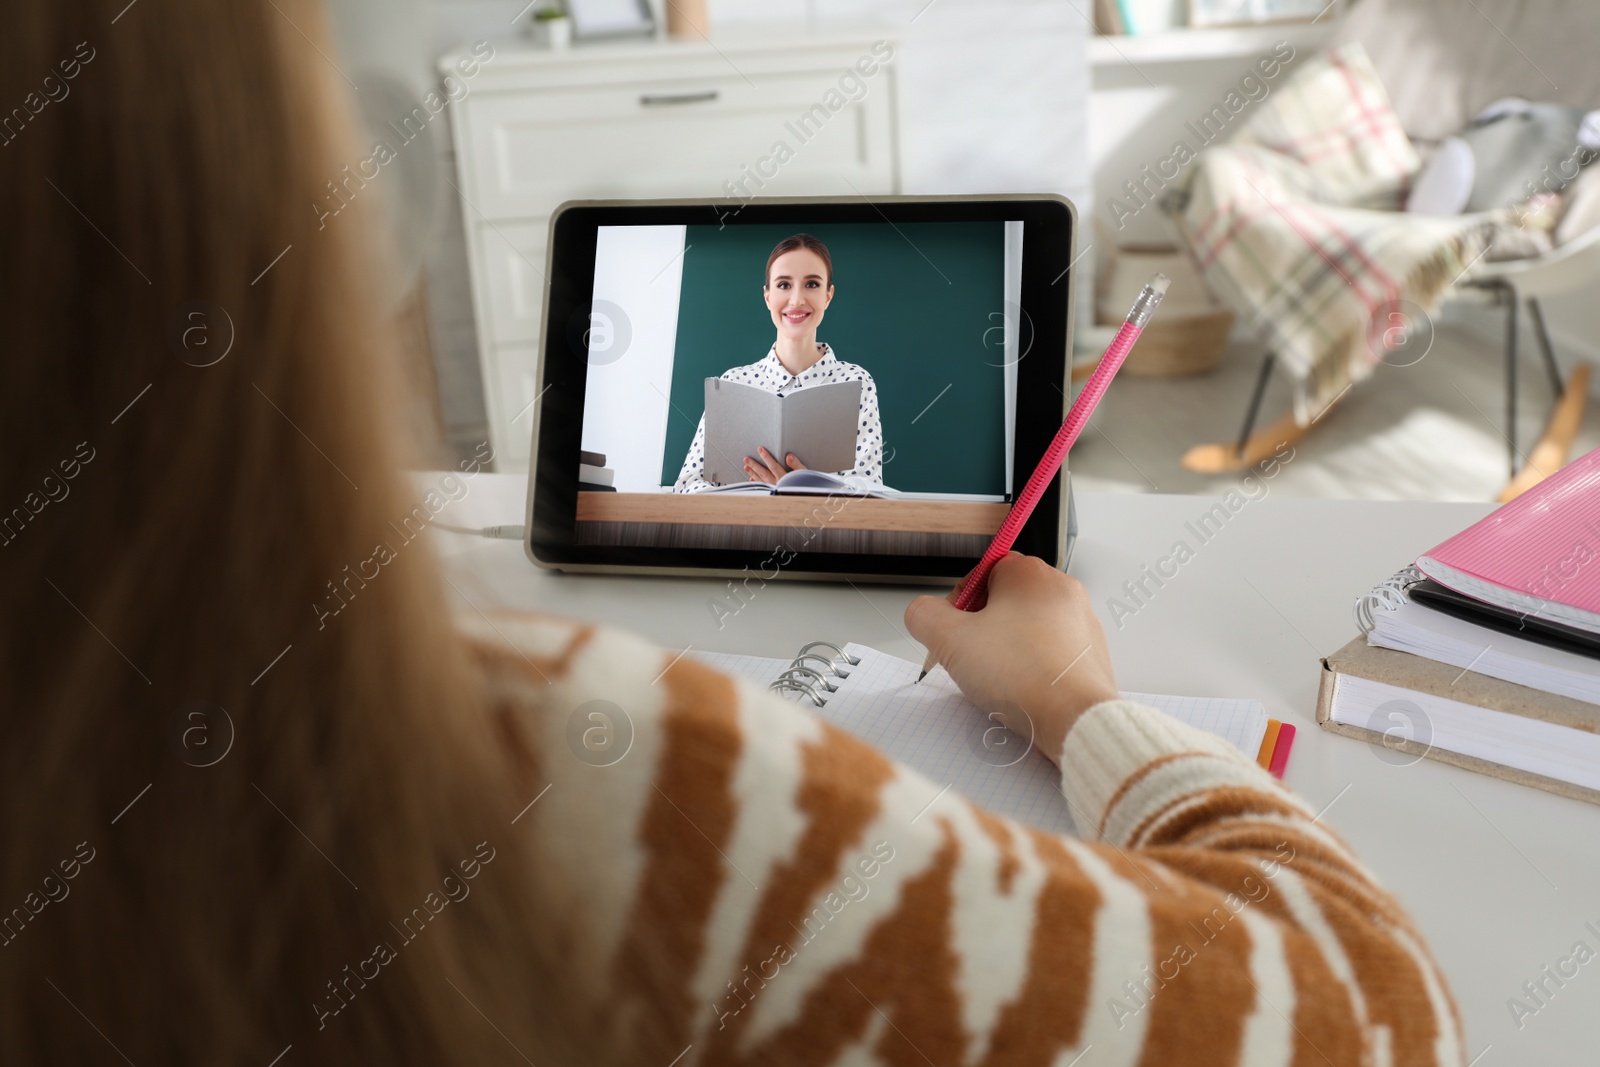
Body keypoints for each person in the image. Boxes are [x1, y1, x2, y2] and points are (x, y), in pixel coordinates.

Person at [0, 1, 1464, 1065]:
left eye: (813, 289)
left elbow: (871, 484)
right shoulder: (544, 760)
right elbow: (1388, 1017)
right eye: (782, 290)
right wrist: (1075, 693)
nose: (796, 304)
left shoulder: (865, 391)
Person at [672, 234, 884, 492]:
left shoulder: (855, 383)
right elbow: (687, 486)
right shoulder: (733, 384)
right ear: (767, 296)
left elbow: (868, 490)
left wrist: (805, 488)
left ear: (828, 296)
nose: (796, 300)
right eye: (784, 285)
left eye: (812, 284)